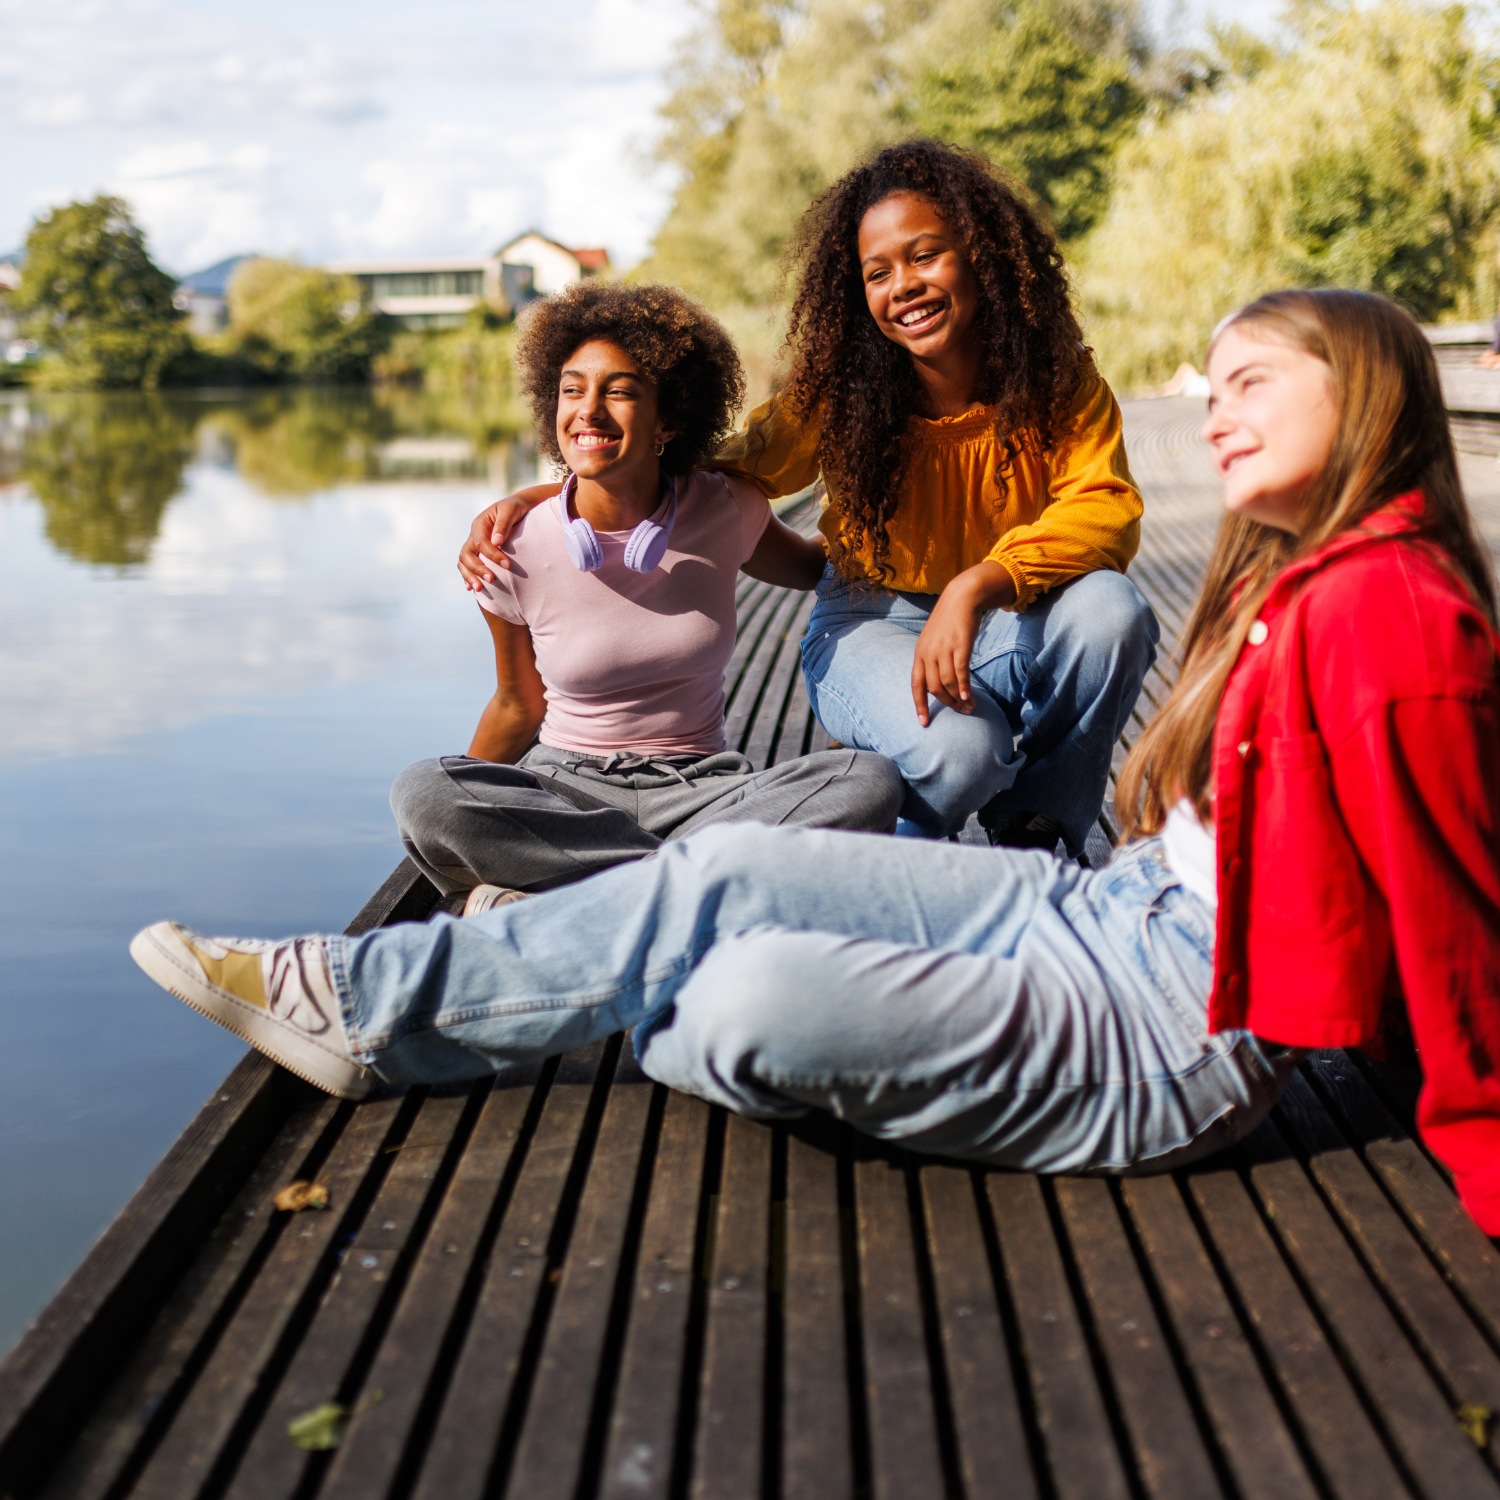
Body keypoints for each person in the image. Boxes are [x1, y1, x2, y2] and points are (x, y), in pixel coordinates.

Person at [131, 289, 1500, 1236]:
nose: (1212, 408)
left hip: (1174, 1028)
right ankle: (359, 1005)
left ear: (1366, 393)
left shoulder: (1396, 619)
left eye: (1251, 380)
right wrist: (554, 504)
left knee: (726, 1002)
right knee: (722, 875)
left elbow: (1457, 924)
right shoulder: (1317, 583)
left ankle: (559, 963)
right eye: (1216, 380)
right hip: (1111, 907)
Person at [460, 142, 1159, 852]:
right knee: (963, 754)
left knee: (1113, 611)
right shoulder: (843, 389)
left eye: (925, 256)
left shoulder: (1057, 381)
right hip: (870, 618)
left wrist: (980, 583)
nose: (903, 285)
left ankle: (1036, 830)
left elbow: (1102, 505)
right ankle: (874, 855)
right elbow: (715, 464)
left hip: (1006, 614)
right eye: (877, 272)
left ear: (981, 256)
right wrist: (561, 489)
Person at [390, 280, 902, 910]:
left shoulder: (725, 508)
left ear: (670, 418)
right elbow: (517, 704)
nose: (589, 410)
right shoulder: (510, 546)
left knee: (866, 779)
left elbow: (824, 571)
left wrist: (913, 527)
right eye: (572, 389)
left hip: (706, 791)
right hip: (568, 790)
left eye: (621, 391)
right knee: (422, 792)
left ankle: (581, 902)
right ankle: (692, 887)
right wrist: (460, 809)